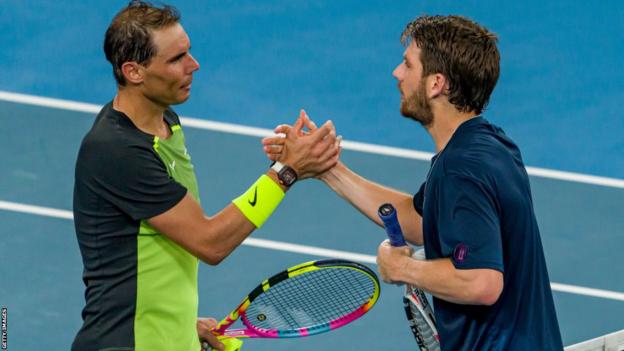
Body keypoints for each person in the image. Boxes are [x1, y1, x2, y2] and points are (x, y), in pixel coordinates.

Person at [263, 15, 563, 350]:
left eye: (408, 64)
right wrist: (325, 168)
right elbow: (420, 221)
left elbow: (482, 282)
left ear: (437, 83)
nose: (397, 73)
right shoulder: (489, 144)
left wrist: (403, 268)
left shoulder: (459, 169)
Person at [71, 2, 340, 351]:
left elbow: (156, 252)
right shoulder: (115, 151)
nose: (193, 65)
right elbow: (210, 242)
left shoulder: (166, 123)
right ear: (134, 72)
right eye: (176, 59)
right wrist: (285, 172)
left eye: (189, 52)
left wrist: (183, 325)